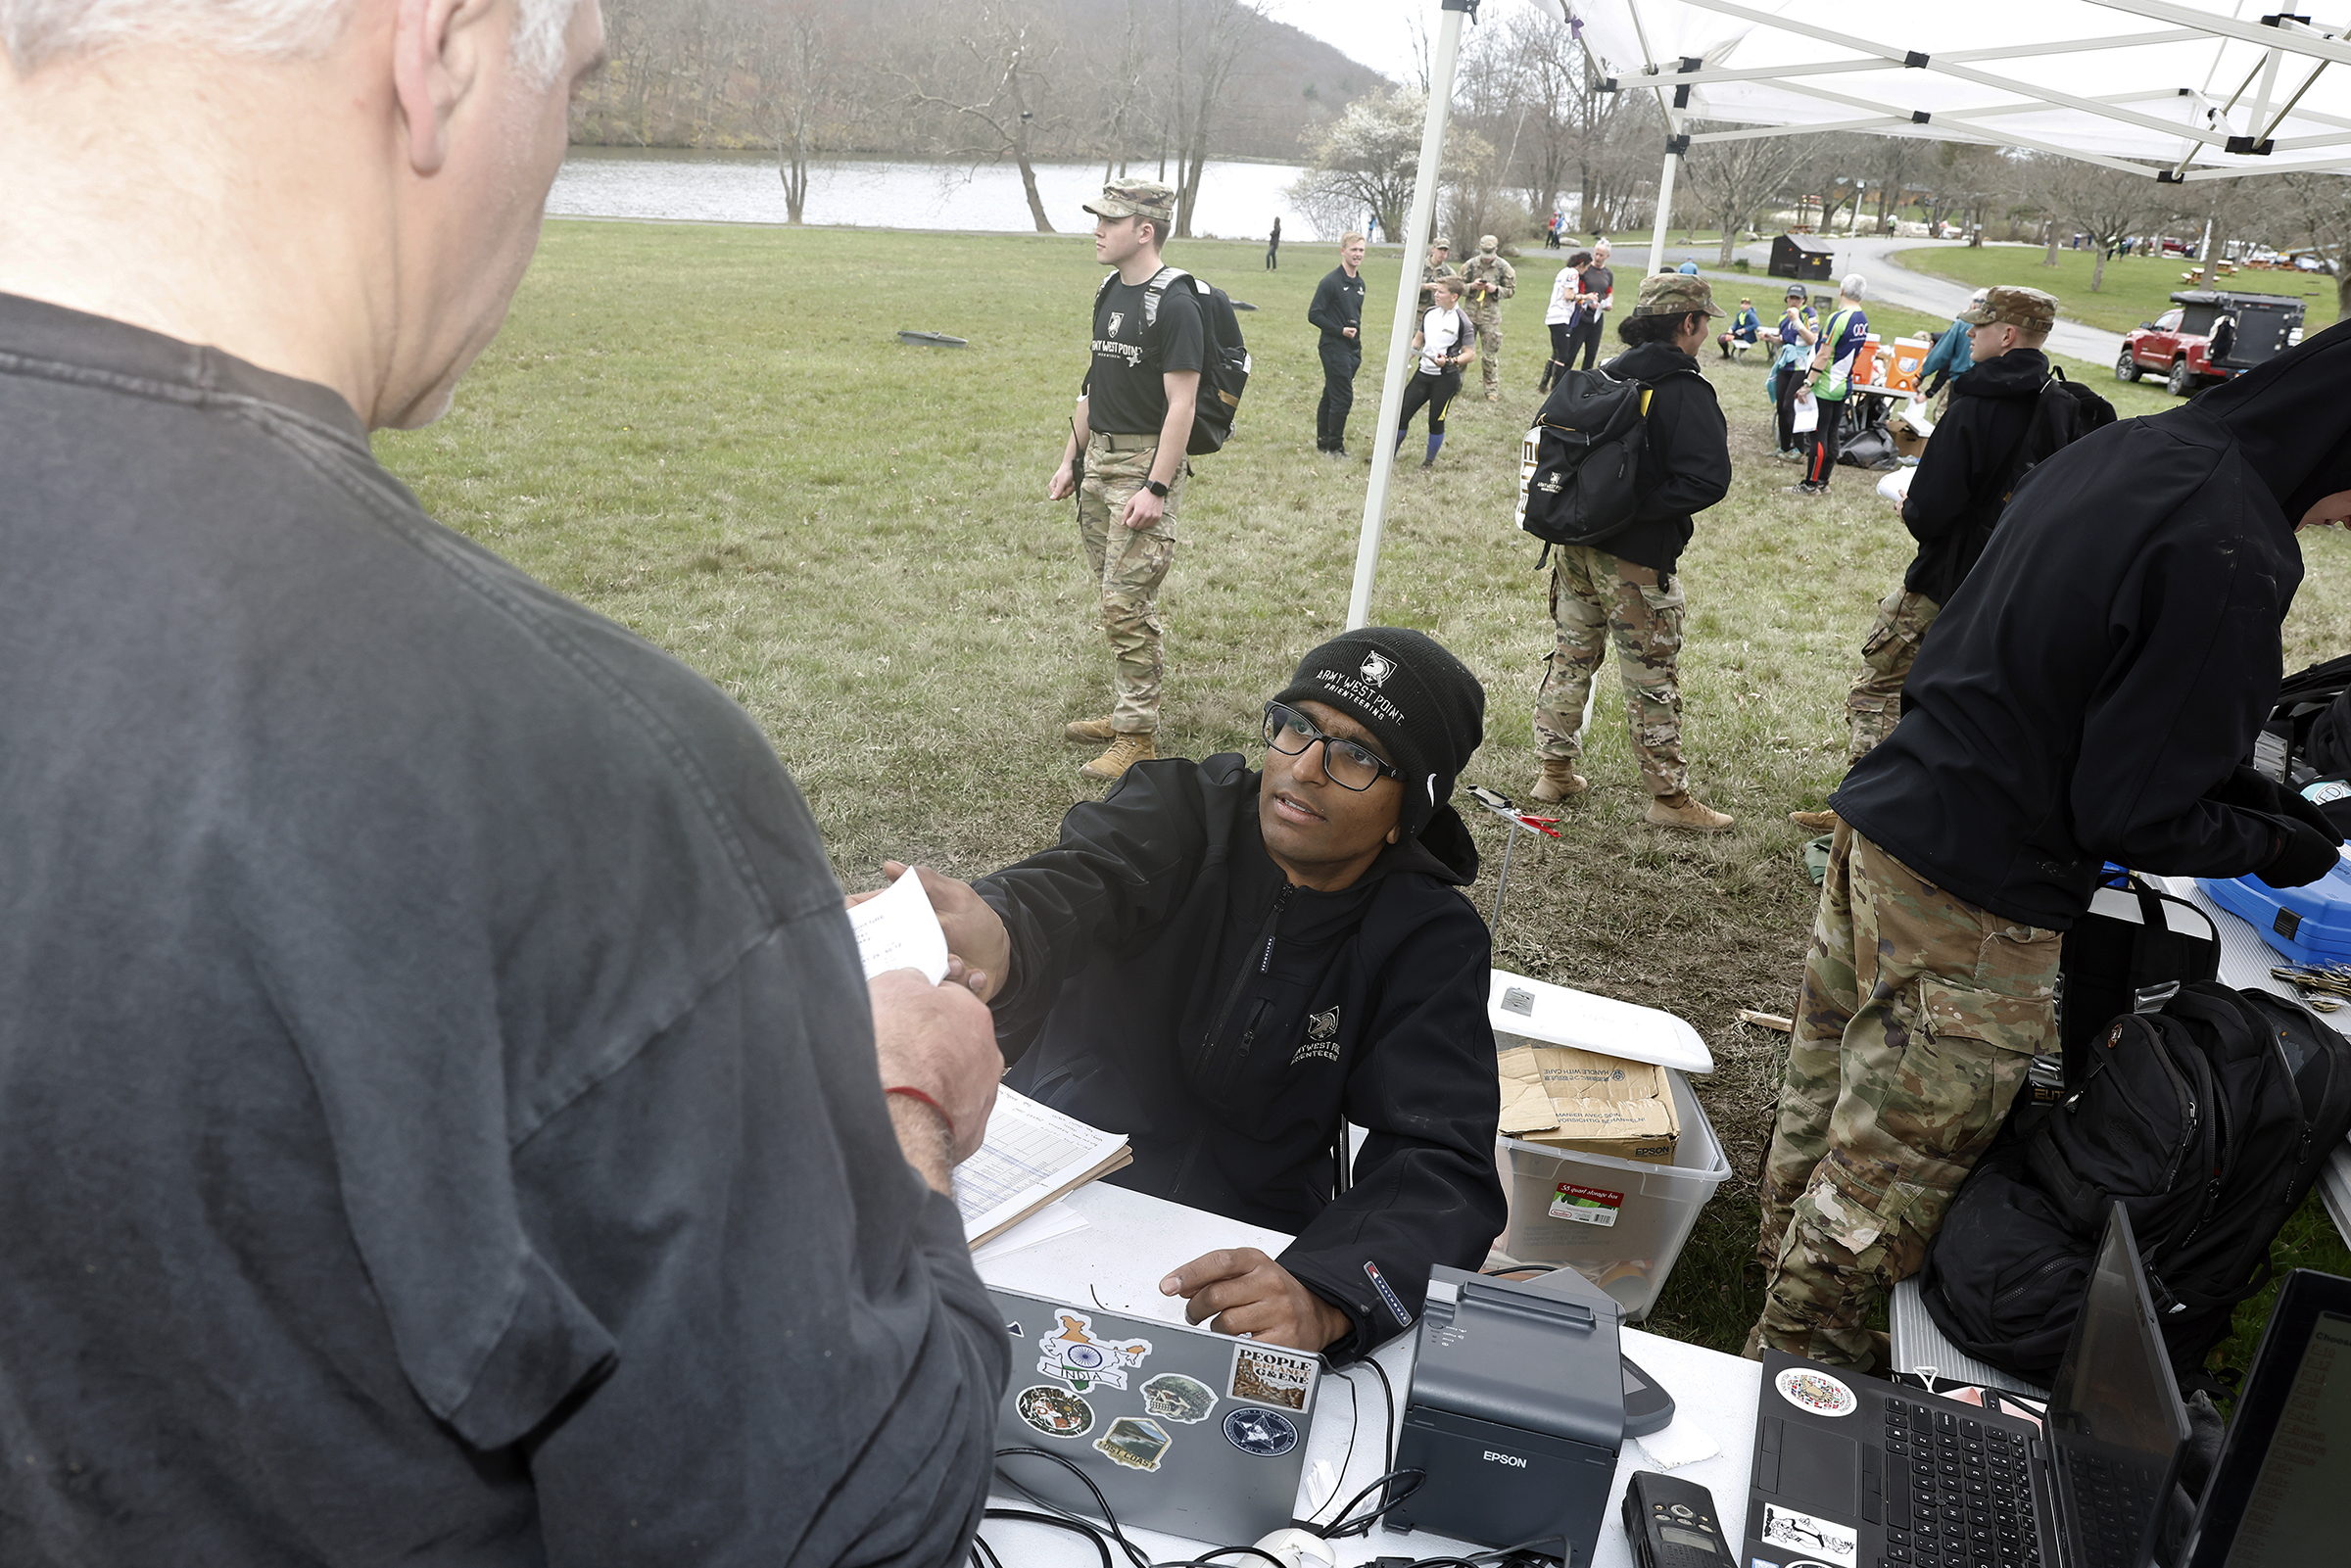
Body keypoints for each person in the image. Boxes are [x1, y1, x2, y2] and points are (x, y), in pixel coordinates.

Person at [0, 1, 1012, 1561]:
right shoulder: (571, 775)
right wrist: (898, 1116)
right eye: (582, 83)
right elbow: (835, 1519)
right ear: (440, 49)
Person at [1749, 321, 2351, 1370]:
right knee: (1894, 1168)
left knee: (1833, 1088)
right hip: (1978, 892)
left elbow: (2087, 684)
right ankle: (1794, 1379)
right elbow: (2132, 809)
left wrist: (2244, 791)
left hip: (1901, 807)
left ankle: (1776, 1271)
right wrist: (2285, 843)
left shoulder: (2136, 449)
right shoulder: (2236, 544)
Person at [866, 630, 1508, 1354]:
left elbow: (1441, 1161)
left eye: (1358, 754)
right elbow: (1078, 879)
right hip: (1047, 1192)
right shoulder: (1179, 810)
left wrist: (1329, 1292)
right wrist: (1006, 931)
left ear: (1408, 813)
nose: (1305, 768)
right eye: (1296, 726)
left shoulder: (1427, 936)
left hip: (1239, 1247)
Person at [1790, 286, 2075, 833]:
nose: (1968, 333)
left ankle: (1863, 811)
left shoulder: (1977, 402)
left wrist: (1908, 503)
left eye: (1979, 326)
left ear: (2007, 334)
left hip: (1946, 578)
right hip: (2012, 585)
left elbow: (1933, 507)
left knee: (1878, 687)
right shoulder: (2060, 400)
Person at [1528, 275, 1737, 832]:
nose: (1706, 331)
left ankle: (1553, 771)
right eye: (1704, 321)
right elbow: (1710, 480)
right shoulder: (1684, 389)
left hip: (1576, 545)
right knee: (1650, 676)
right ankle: (1669, 800)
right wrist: (1641, 507)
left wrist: (1607, 507)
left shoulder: (1607, 374)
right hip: (1634, 559)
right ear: (1687, 323)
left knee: (1571, 655)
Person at [1050, 180, 1203, 784]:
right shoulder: (1109, 290)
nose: (1097, 230)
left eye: (1110, 221)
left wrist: (1156, 488)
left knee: (1124, 603)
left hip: (1143, 470)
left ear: (1145, 231)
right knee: (1119, 601)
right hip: (1100, 466)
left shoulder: (1177, 304)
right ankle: (1126, 713)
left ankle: (1136, 735)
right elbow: (1093, 385)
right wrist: (1071, 459)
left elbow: (1183, 405)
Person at [1788, 273, 1869, 497]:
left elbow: (1824, 354)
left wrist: (1807, 383)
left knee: (1819, 434)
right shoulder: (1862, 319)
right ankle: (1823, 481)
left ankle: (1810, 484)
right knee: (1833, 432)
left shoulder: (1838, 317)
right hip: (1844, 383)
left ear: (1841, 290)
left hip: (1826, 383)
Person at [1397, 276, 1474, 469]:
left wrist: (1450, 361)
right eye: (1436, 290)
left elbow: (1470, 354)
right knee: (1402, 414)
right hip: (1423, 374)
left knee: (1435, 421)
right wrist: (1406, 358)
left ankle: (1428, 462)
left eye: (1440, 292)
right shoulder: (1430, 313)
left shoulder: (1462, 321)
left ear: (1454, 296)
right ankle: (1388, 455)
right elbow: (1418, 340)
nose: (1436, 294)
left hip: (1446, 379)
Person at [1309, 231, 1368, 456]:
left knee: (1331, 393)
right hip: (1333, 347)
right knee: (1343, 397)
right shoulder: (1330, 282)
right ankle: (1335, 447)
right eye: (1354, 250)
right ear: (1343, 251)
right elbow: (1314, 314)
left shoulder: (1360, 283)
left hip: (1353, 350)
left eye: (1361, 250)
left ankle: (1323, 441)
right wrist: (1339, 330)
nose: (1358, 254)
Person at [1459, 234, 1517, 401]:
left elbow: (1511, 290)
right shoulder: (1470, 265)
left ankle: (1491, 390)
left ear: (1496, 250)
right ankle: (1455, 385)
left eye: (1490, 252)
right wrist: (1472, 286)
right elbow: (1457, 287)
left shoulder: (1504, 267)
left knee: (1489, 356)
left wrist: (1495, 289)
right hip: (1469, 315)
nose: (1486, 257)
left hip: (1490, 317)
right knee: (1462, 351)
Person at [1913, 290, 1984, 419]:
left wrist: (1921, 375)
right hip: (1984, 384)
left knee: (1952, 420)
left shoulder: (1962, 324)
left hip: (1960, 383)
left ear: (1974, 305)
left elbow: (1941, 355)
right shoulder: (1998, 327)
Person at [1769, 284, 1821, 458]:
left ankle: (1800, 447)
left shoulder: (1809, 314)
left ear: (1804, 300)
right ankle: (1784, 447)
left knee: (1790, 405)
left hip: (1801, 365)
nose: (1794, 301)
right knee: (1780, 405)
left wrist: (1797, 321)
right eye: (1791, 298)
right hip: (1786, 363)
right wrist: (1771, 339)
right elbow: (1784, 340)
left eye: (1798, 298)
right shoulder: (1783, 316)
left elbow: (1812, 338)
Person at [1539, 249, 1592, 393]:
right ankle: (1555, 388)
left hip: (1552, 315)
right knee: (1563, 355)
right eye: (1587, 267)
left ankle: (1543, 385)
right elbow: (1568, 295)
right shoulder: (1573, 274)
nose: (1586, 271)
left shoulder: (1563, 271)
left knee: (1556, 353)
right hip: (1561, 316)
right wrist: (1586, 297)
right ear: (1581, 264)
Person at [1568, 239, 1616, 370]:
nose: (1598, 257)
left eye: (1601, 255)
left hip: (1597, 318)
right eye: (1596, 254)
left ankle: (1584, 385)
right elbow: (1575, 291)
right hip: (1582, 316)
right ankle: (1561, 382)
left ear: (1607, 256)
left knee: (1591, 354)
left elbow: (1609, 292)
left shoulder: (1608, 274)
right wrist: (1587, 302)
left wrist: (1609, 303)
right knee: (1571, 352)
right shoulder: (1586, 270)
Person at [1417, 233, 1457, 311]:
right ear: (1433, 249)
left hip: (1438, 313)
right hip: (1417, 312)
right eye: (1440, 249)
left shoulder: (1449, 272)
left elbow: (1454, 294)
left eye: (1445, 250)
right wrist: (1426, 287)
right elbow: (1407, 288)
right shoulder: (1419, 267)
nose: (1442, 252)